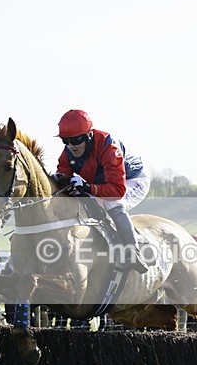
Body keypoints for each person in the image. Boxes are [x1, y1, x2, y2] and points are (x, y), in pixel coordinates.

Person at [55, 109, 150, 273]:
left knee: (112, 203)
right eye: (66, 141)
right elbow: (63, 176)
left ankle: (132, 253)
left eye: (76, 140)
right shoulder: (68, 152)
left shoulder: (109, 148)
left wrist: (87, 187)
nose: (71, 146)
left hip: (132, 179)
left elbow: (118, 190)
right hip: (104, 182)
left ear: (88, 136)